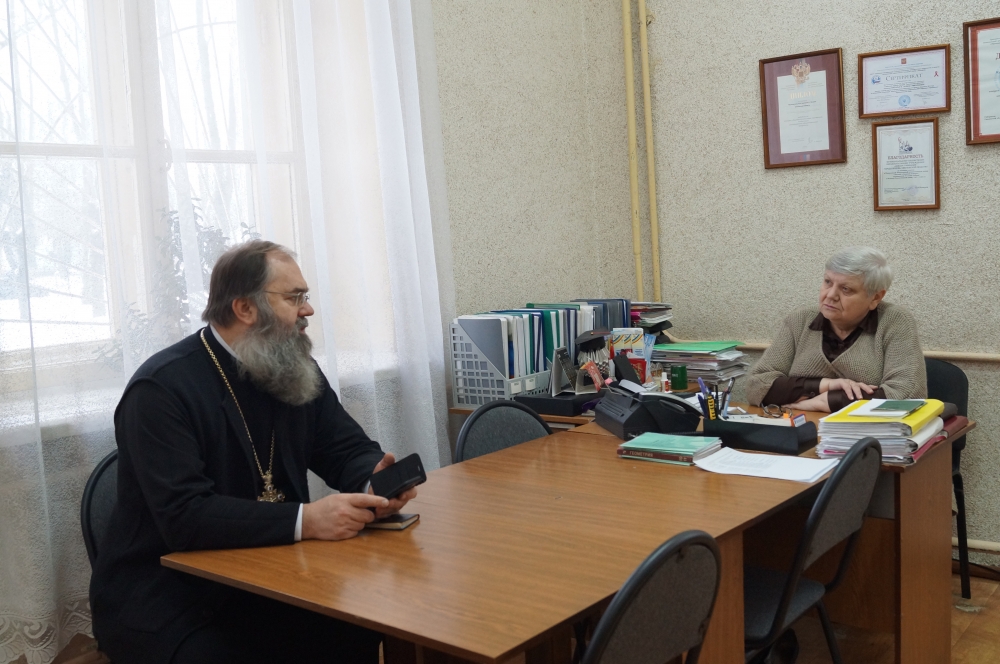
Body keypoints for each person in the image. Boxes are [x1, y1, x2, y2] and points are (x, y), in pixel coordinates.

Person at [90, 240, 417, 664]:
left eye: (305, 296)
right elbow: (185, 517)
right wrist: (307, 520)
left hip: (272, 573)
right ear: (245, 308)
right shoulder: (161, 389)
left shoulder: (292, 366)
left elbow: (343, 446)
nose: (307, 309)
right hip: (171, 594)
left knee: (359, 625)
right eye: (294, 298)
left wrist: (373, 482)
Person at [745, 247, 926, 412]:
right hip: (798, 427)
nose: (830, 295)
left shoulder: (895, 322)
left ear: (875, 298)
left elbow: (907, 395)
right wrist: (825, 385)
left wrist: (826, 401)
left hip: (866, 432)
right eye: (828, 282)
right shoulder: (800, 320)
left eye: (846, 289)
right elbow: (756, 386)